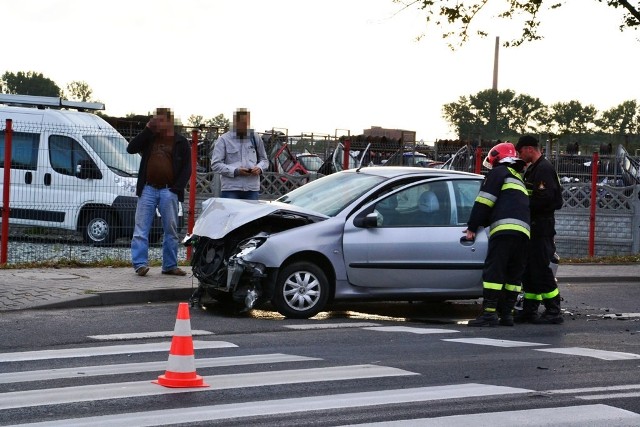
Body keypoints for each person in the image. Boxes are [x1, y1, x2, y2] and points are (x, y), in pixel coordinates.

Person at [465, 142, 530, 327]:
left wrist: (472, 226)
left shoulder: (498, 172)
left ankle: (489, 314)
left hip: (504, 231)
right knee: (513, 275)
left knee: (495, 272)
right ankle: (507, 314)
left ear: (497, 158)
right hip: (523, 234)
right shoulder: (517, 177)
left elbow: (484, 201)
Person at [127, 107, 191, 277]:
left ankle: (170, 265)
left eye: (160, 120)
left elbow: (187, 168)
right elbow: (131, 148)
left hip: (168, 190)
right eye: (155, 120)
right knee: (141, 228)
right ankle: (140, 264)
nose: (157, 123)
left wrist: (176, 188)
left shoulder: (180, 142)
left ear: (170, 121)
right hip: (148, 188)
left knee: (170, 230)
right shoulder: (150, 138)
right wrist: (148, 129)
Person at [515, 135, 564, 324]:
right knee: (530, 270)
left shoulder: (543, 169)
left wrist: (521, 204)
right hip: (533, 226)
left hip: (541, 227)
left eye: (520, 152)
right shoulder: (534, 169)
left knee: (541, 268)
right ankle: (530, 309)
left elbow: (545, 199)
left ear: (528, 149)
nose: (520, 156)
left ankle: (553, 309)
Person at [211, 108, 269, 200]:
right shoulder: (223, 140)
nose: (244, 126)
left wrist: (260, 168)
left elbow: (264, 160)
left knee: (251, 215)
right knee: (231, 214)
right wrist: (235, 171)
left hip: (252, 189)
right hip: (231, 189)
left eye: (246, 123)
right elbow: (215, 164)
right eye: (241, 123)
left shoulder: (255, 138)